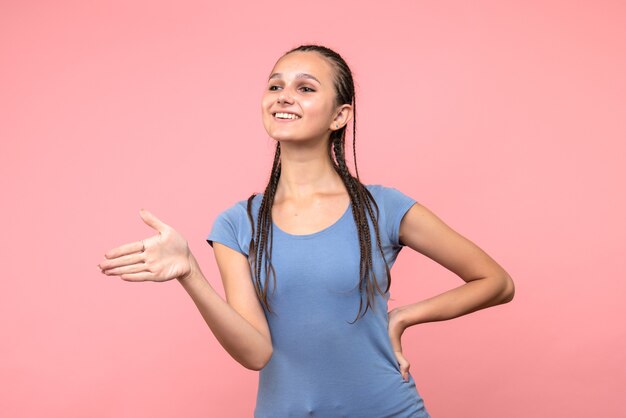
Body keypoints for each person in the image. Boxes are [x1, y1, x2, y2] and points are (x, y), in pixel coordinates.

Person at [98, 44, 515, 417]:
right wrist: (190, 272)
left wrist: (404, 316)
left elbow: (496, 282)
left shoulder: (383, 208)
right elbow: (256, 352)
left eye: (305, 88)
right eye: (275, 86)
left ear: (340, 115)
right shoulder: (236, 223)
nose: (284, 96)